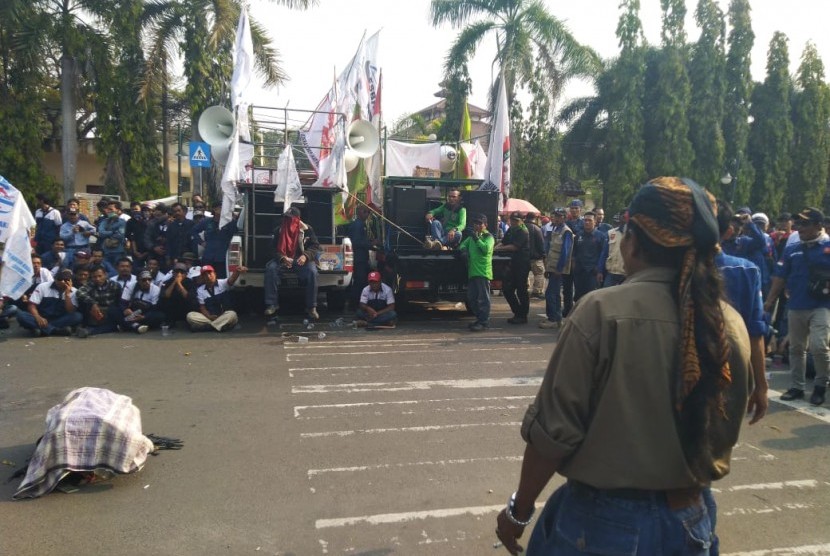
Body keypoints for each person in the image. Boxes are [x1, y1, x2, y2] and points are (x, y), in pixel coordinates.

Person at [495, 177, 751, 556]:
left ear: (633, 239)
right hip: (692, 517)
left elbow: (553, 433)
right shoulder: (728, 322)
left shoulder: (601, 311)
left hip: (601, 523)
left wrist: (518, 511)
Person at [765, 207, 830, 406]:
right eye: (798, 223)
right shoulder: (793, 249)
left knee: (819, 346)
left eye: (805, 224)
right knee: (796, 349)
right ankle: (797, 387)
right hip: (796, 305)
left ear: (819, 225)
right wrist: (769, 301)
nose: (799, 227)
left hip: (822, 305)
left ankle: (820, 386)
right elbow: (779, 277)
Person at [715, 200, 769, 424]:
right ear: (727, 231)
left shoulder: (669, 270)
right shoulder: (743, 270)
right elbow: (755, 333)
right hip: (732, 370)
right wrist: (761, 385)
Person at [264, 207, 321, 321]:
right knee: (271, 269)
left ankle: (311, 307)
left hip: (301, 261)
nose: (288, 221)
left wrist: (305, 256)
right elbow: (271, 248)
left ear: (297, 219)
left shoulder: (307, 229)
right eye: (286, 218)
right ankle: (272, 304)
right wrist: (281, 258)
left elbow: (315, 246)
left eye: (291, 219)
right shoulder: (278, 230)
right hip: (283, 259)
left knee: (312, 272)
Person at [15, 269, 83, 337]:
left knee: (77, 316)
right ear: (55, 279)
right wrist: (37, 317)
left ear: (70, 281)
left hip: (59, 319)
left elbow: (70, 311)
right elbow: (32, 305)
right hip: (41, 317)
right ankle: (55, 330)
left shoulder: (74, 291)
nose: (62, 281)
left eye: (66, 280)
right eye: (60, 279)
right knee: (21, 315)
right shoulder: (43, 286)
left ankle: (42, 329)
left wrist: (67, 295)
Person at [458, 213, 495, 331]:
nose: (477, 225)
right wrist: (463, 250)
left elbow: (485, 249)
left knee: (483, 299)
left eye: (480, 223)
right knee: (472, 298)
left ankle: (484, 322)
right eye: (475, 223)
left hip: (483, 272)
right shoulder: (472, 237)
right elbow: (462, 245)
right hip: (473, 272)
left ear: (485, 225)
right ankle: (479, 319)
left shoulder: (488, 237)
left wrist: (476, 238)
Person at [186, 264, 247, 332]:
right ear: (203, 277)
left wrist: (237, 272)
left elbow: (232, 279)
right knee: (190, 315)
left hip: (223, 316)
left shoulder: (222, 283)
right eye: (205, 275)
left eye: (210, 273)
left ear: (215, 274)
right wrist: (209, 316)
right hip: (209, 318)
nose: (208, 276)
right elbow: (202, 307)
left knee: (232, 314)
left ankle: (208, 327)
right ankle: (218, 325)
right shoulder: (200, 290)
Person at [539, 208, 573, 330]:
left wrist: (559, 268)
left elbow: (565, 252)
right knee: (555, 294)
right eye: (555, 216)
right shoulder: (555, 229)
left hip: (559, 269)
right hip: (552, 267)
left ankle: (553, 319)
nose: (556, 218)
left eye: (559, 216)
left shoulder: (566, 231)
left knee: (550, 294)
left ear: (564, 217)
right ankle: (557, 318)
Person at [494, 211, 530, 324]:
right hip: (510, 264)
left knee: (521, 290)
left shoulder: (523, 231)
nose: (513, 222)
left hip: (521, 264)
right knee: (507, 289)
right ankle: (517, 312)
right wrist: (495, 247)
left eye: (516, 220)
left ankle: (522, 315)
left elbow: (514, 247)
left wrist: (499, 249)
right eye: (512, 220)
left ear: (521, 220)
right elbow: (503, 242)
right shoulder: (511, 229)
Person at [191, 200, 238, 278]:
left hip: (222, 257)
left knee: (221, 279)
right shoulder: (207, 221)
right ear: (214, 209)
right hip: (208, 256)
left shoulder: (230, 222)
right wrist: (201, 242)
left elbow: (236, 234)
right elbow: (193, 231)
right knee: (207, 277)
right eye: (220, 208)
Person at [347, 204, 381, 309]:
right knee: (360, 281)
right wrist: (372, 244)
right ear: (360, 212)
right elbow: (357, 242)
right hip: (359, 258)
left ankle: (356, 303)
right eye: (366, 212)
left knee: (361, 281)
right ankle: (354, 305)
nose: (367, 214)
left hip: (361, 257)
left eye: (368, 212)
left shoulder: (361, 224)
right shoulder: (358, 225)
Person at [76, 265, 123, 337]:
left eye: (100, 276)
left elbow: (119, 301)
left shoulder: (115, 285)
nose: (97, 279)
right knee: (84, 304)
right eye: (94, 277)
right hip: (95, 310)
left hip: (110, 311)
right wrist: (93, 304)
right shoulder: (90, 284)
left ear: (105, 275)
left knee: (114, 312)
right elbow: (79, 292)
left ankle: (88, 331)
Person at [571, 211, 606, 302]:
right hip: (579, 271)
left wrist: (599, 271)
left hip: (592, 272)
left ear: (595, 222)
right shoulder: (578, 236)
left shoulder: (600, 236)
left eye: (590, 220)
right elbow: (574, 252)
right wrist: (574, 265)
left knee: (590, 298)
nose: (587, 222)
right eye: (585, 220)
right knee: (578, 297)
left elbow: (603, 254)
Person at [598, 210, 627, 287]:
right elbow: (604, 253)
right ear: (619, 217)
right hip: (611, 273)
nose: (625, 218)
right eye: (623, 216)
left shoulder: (633, 234)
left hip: (626, 275)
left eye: (627, 216)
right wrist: (600, 271)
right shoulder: (611, 233)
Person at [160, 262, 196, 327]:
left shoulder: (190, 282)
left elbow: (187, 297)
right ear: (173, 273)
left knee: (192, 302)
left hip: (185, 308)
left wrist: (179, 284)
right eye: (176, 272)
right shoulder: (167, 282)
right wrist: (174, 282)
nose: (179, 274)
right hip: (172, 309)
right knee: (165, 301)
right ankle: (170, 322)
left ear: (186, 274)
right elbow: (166, 295)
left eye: (182, 272)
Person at [97, 200, 127, 267]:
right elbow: (100, 233)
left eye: (111, 209)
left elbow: (120, 235)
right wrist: (112, 232)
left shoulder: (122, 222)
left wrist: (107, 234)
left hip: (118, 251)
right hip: (106, 251)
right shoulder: (104, 221)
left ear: (118, 210)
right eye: (108, 209)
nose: (108, 211)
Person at [524, 213, 546, 299]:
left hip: (523, 257)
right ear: (535, 218)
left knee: (524, 275)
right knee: (539, 274)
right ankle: (537, 291)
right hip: (535, 257)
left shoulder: (522, 227)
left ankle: (525, 289)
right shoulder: (537, 229)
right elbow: (541, 244)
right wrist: (543, 255)